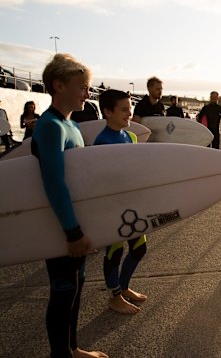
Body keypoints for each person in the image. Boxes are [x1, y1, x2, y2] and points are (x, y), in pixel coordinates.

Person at [31, 53, 108, 357]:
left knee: (76, 287)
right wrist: (72, 232)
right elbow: (54, 183)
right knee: (62, 293)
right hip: (61, 226)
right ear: (58, 85)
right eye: (82, 87)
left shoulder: (71, 126)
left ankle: (72, 348)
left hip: (76, 222)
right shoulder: (51, 126)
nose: (87, 94)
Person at [94, 89, 148, 314]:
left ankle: (123, 287)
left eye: (130, 108)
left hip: (131, 205)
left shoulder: (130, 137)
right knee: (114, 252)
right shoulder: (102, 143)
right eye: (124, 109)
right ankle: (114, 297)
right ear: (107, 112)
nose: (130, 113)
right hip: (112, 208)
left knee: (139, 248)